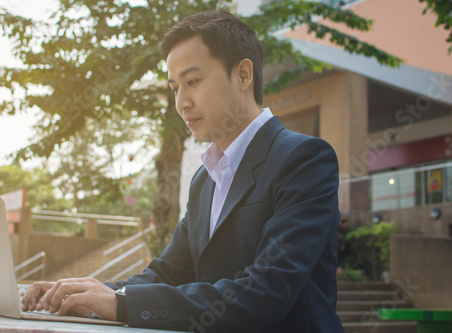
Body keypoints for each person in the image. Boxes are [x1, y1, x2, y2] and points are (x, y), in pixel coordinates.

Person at [22, 10, 344, 332]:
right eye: (175, 87)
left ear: (243, 75)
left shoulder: (303, 160)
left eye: (192, 82)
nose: (181, 102)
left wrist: (120, 305)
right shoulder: (205, 178)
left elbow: (266, 292)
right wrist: (91, 294)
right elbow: (167, 273)